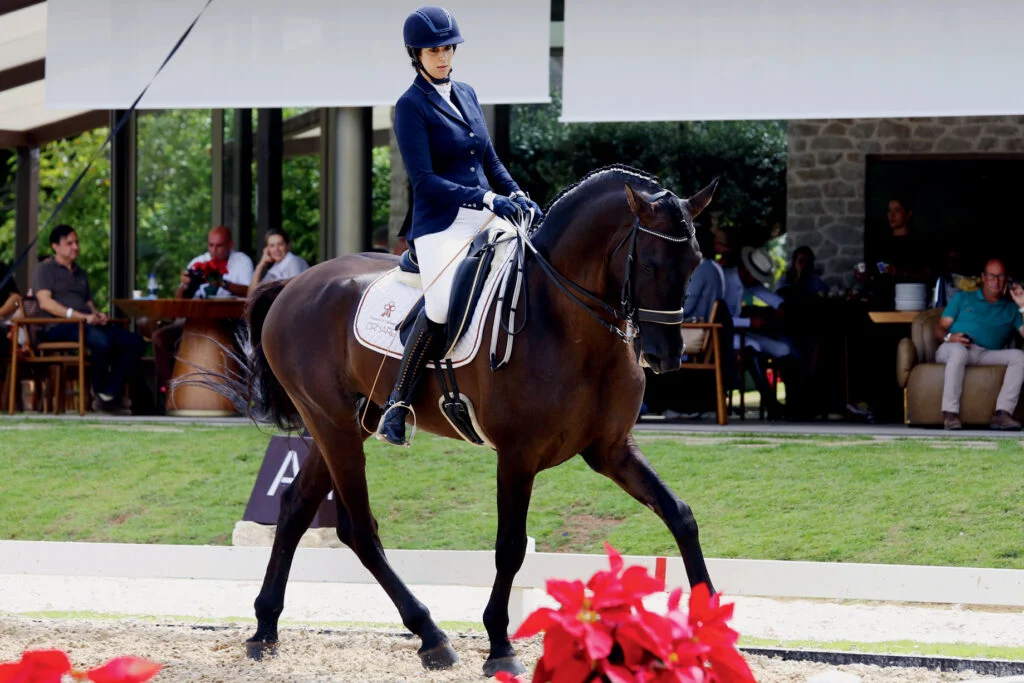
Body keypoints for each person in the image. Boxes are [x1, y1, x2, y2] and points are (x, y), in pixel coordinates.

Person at [380, 5, 543, 447]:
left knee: (532, 270)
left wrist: (517, 193)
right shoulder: (410, 105)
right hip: (441, 224)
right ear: (416, 54)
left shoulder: (467, 93)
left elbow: (489, 159)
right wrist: (488, 198)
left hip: (486, 214)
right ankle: (398, 402)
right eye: (434, 50)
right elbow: (424, 181)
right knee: (440, 307)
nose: (443, 57)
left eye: (448, 48)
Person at [31, 225, 145, 414]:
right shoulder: (45, 269)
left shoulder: (80, 272)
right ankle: (102, 392)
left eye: (76, 242)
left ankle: (108, 392)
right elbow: (45, 303)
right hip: (59, 326)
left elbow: (88, 303)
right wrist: (81, 317)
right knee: (100, 340)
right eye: (69, 243)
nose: (75, 247)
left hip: (86, 324)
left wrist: (97, 315)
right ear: (55, 246)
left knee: (135, 341)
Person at [152, 226, 254, 401]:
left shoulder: (242, 261)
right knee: (159, 338)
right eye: (211, 245)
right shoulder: (199, 262)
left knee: (240, 344)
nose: (214, 250)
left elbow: (250, 292)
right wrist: (187, 284)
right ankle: (171, 392)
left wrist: (221, 282)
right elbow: (179, 298)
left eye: (219, 245)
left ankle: (239, 397)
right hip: (195, 323)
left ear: (230, 245)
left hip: (230, 323)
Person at [934, 258, 1024, 431]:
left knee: (1020, 357)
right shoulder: (963, 297)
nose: (995, 281)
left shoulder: (1012, 308)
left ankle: (1002, 414)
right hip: (952, 348)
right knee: (959, 352)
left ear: (1007, 279)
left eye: (1000, 276)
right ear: (983, 277)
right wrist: (949, 337)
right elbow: (939, 328)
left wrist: (1023, 306)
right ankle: (950, 415)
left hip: (985, 353)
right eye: (991, 276)